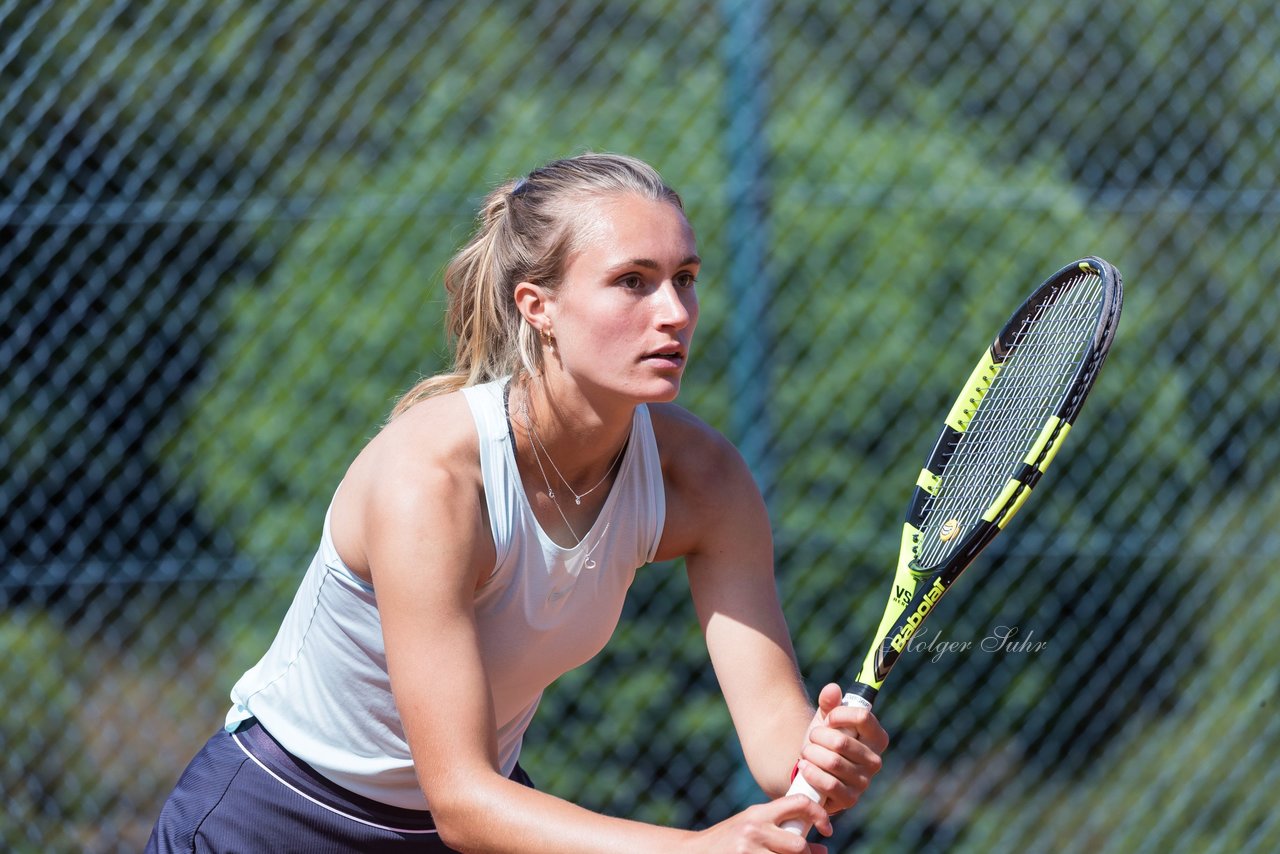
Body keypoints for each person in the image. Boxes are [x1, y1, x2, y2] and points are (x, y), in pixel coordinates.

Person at [147, 152, 888, 853]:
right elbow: (463, 801)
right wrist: (696, 847)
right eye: (633, 281)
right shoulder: (433, 480)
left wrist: (823, 758)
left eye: (685, 278)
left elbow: (777, 748)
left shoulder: (705, 481)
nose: (674, 312)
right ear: (538, 306)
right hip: (276, 817)